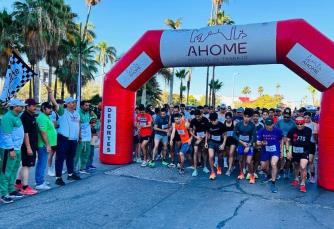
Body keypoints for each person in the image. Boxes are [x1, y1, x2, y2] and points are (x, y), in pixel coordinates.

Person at [47, 86, 81, 185]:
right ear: (67, 104)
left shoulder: (76, 114)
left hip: (73, 139)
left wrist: (79, 137)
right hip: (63, 138)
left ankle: (70, 174)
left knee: (71, 157)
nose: (74, 104)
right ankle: (58, 178)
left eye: (75, 102)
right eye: (72, 102)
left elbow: (78, 125)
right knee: (60, 158)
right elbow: (54, 102)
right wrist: (50, 93)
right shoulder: (62, 111)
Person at [0, 99, 26, 203]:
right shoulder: (7, 118)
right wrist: (11, 149)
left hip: (17, 148)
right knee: (6, 171)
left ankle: (11, 190)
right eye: (21, 106)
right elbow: (6, 135)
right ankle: (3, 193)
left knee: (14, 170)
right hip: (9, 149)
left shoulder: (16, 116)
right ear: (15, 106)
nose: (22, 107)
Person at [15, 98, 39, 195]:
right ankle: (25, 187)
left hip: (31, 144)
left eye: (35, 105)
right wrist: (28, 147)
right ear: (27, 106)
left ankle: (18, 183)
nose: (35, 107)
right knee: (26, 166)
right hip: (27, 145)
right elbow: (26, 133)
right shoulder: (25, 117)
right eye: (33, 106)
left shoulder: (31, 116)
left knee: (25, 164)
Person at [257, 118, 283, 193]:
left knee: (273, 163)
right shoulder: (261, 131)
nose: (268, 127)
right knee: (263, 167)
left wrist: (281, 151)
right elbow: (257, 142)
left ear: (273, 124)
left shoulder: (278, 131)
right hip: (265, 150)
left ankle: (273, 183)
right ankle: (269, 175)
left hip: (275, 150)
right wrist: (262, 143)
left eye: (270, 125)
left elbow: (281, 140)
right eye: (267, 125)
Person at [35, 102, 57, 190]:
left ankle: (40, 180)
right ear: (44, 109)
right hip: (43, 145)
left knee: (42, 164)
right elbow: (43, 133)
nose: (51, 109)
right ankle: (39, 183)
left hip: (46, 145)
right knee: (42, 163)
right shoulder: (42, 118)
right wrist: (48, 145)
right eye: (49, 108)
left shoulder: (46, 117)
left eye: (51, 108)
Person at [286, 117, 312, 193]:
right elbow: (287, 141)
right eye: (297, 124)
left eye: (301, 124)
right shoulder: (292, 130)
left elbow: (308, 142)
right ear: (295, 123)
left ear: (304, 123)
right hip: (295, 151)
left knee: (303, 166)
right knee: (296, 165)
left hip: (304, 151)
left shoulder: (308, 130)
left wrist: (310, 153)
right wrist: (287, 151)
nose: (299, 125)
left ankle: (303, 184)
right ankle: (296, 178)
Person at [234, 108, 257, 184]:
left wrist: (248, 145)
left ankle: (252, 175)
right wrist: (241, 142)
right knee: (240, 160)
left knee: (248, 161)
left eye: (248, 117)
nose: (247, 118)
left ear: (251, 117)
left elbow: (254, 137)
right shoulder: (238, 124)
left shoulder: (252, 125)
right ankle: (241, 173)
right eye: (245, 116)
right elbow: (234, 135)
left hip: (249, 145)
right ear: (243, 116)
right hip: (240, 144)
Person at [275, 108, 296, 178]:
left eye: (288, 117)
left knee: (288, 158)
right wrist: (281, 137)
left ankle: (286, 170)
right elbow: (276, 131)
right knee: (280, 157)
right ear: (283, 115)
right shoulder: (279, 121)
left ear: (290, 116)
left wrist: (289, 138)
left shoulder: (293, 123)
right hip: (280, 141)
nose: (286, 118)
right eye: (285, 116)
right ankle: (280, 170)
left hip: (289, 142)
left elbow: (295, 133)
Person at [205, 112, 226, 180]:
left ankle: (219, 167)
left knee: (220, 157)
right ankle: (212, 172)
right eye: (212, 121)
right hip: (211, 142)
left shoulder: (222, 125)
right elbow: (207, 133)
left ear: (217, 119)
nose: (213, 122)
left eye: (214, 120)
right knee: (211, 156)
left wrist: (223, 144)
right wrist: (206, 142)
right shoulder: (209, 124)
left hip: (220, 142)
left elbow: (225, 135)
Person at [190, 109, 209, 176]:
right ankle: (195, 170)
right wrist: (196, 137)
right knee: (195, 152)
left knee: (204, 152)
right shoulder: (193, 120)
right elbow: (191, 131)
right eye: (196, 116)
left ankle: (205, 166)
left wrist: (206, 142)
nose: (197, 118)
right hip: (197, 137)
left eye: (198, 116)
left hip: (204, 137)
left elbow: (207, 131)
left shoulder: (205, 120)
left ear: (201, 115)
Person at [74, 100, 92, 174]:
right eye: (86, 105)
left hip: (87, 136)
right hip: (80, 136)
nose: (88, 107)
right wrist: (79, 136)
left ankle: (82, 168)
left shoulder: (89, 112)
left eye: (88, 105)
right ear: (81, 106)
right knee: (77, 153)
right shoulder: (77, 113)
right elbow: (77, 124)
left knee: (86, 152)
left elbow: (91, 121)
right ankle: (73, 169)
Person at [304, 112, 318, 183]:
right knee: (303, 161)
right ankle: (305, 175)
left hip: (311, 144)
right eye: (305, 117)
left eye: (308, 118)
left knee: (310, 161)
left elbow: (315, 133)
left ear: (310, 117)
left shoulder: (314, 124)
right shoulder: (301, 124)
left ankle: (312, 176)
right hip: (303, 145)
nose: (306, 119)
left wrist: (316, 142)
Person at [223, 112, 237, 176]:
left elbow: (237, 132)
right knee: (229, 154)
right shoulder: (224, 123)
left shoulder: (234, 123)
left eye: (229, 118)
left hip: (233, 140)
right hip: (227, 140)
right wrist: (224, 136)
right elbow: (222, 133)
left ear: (231, 118)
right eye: (227, 118)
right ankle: (233, 165)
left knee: (231, 153)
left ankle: (229, 169)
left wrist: (234, 134)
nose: (228, 120)